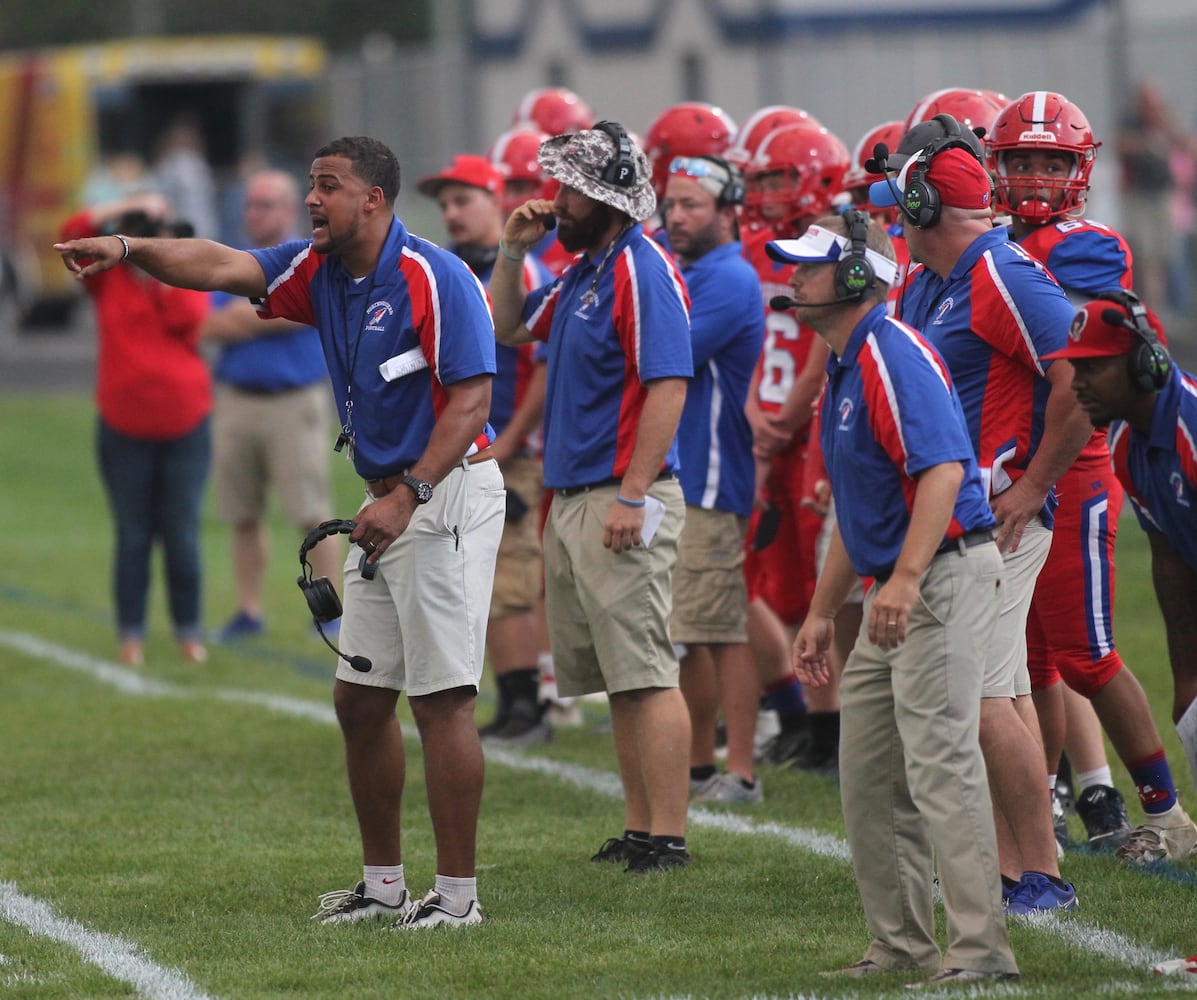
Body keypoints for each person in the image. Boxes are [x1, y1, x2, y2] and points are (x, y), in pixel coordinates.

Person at [57, 135, 506, 928]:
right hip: (388, 498)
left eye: (326, 185)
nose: (310, 199)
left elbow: (470, 400)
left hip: (446, 493)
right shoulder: (318, 268)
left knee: (441, 703)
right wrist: (127, 248)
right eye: (309, 184)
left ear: (372, 197)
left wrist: (408, 496)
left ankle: (460, 899)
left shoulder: (435, 275)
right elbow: (218, 264)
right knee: (361, 702)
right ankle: (382, 885)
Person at [785, 211, 1017, 987]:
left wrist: (908, 578)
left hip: (941, 574)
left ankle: (981, 953)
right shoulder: (849, 364)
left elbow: (943, 471)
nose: (792, 275)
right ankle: (901, 945)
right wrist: (822, 610)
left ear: (856, 277)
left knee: (940, 765)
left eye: (808, 265)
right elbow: (860, 512)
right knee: (871, 773)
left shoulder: (888, 352)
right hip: (906, 577)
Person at [871, 116, 1088, 913]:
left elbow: (1078, 378)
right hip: (959, 516)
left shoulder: (999, 272)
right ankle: (1013, 863)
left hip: (997, 517)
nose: (892, 207)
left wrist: (1031, 485)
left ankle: (1041, 873)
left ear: (925, 201)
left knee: (984, 697)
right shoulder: (931, 279)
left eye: (902, 192)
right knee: (998, 693)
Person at [987, 90, 1194, 860]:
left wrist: (1038, 480)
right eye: (1022, 160)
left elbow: (1080, 378)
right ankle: (1035, 813)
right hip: (1020, 471)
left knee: (1084, 653)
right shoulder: (997, 241)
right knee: (1031, 657)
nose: (1036, 176)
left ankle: (1164, 812)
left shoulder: (1084, 249)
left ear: (1076, 171)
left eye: (1051, 161)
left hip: (1066, 470)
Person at [488, 123, 695, 873]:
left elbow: (669, 381)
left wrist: (634, 494)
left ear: (604, 198)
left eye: (570, 189)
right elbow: (506, 325)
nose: (555, 201)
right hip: (574, 495)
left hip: (617, 493)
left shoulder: (641, 268)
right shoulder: (584, 275)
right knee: (615, 678)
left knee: (643, 670)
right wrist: (511, 251)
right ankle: (640, 827)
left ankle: (666, 836)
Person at [1042, 291, 1197, 863]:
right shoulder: (1129, 444)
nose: (1077, 381)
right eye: (1073, 365)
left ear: (1145, 362)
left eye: (1093, 367)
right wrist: (1187, 682)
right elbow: (1171, 563)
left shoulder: (1192, 428)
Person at [416, 153, 552, 745]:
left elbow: (546, 365)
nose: (452, 213)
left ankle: (530, 709)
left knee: (511, 581)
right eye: (445, 204)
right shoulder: (450, 269)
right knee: (476, 582)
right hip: (462, 451)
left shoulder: (524, 271)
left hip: (506, 452)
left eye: (463, 200)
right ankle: (511, 702)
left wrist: (513, 442)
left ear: (499, 199)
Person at [58, 191, 211, 667]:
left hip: (185, 422)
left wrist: (162, 271)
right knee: (133, 533)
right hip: (124, 424)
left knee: (181, 532)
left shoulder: (183, 280)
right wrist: (127, 208)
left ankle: (189, 631)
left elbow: (191, 323)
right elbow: (70, 235)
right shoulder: (108, 280)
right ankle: (132, 634)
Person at [740, 121, 851, 774]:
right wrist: (757, 413)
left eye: (780, 177)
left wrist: (785, 414)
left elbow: (824, 339)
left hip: (812, 426)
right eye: (762, 180)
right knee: (776, 579)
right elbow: (751, 337)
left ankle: (832, 725)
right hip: (767, 426)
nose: (770, 192)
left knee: (821, 580)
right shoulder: (753, 247)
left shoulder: (842, 244)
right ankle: (810, 717)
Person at [660, 153, 764, 803]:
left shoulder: (728, 278)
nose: (674, 216)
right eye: (669, 204)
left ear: (728, 214)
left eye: (690, 205)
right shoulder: (695, 271)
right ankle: (700, 764)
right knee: (688, 628)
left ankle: (742, 769)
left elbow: (661, 352)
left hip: (710, 475)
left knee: (719, 628)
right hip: (685, 474)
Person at [203, 169, 341, 643]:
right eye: (251, 204)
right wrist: (267, 312)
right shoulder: (234, 261)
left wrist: (250, 316)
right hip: (238, 398)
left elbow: (289, 312)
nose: (257, 213)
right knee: (241, 512)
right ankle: (248, 610)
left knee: (311, 512)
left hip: (293, 399)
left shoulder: (308, 259)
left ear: (288, 210)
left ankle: (330, 611)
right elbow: (208, 327)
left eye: (267, 204)